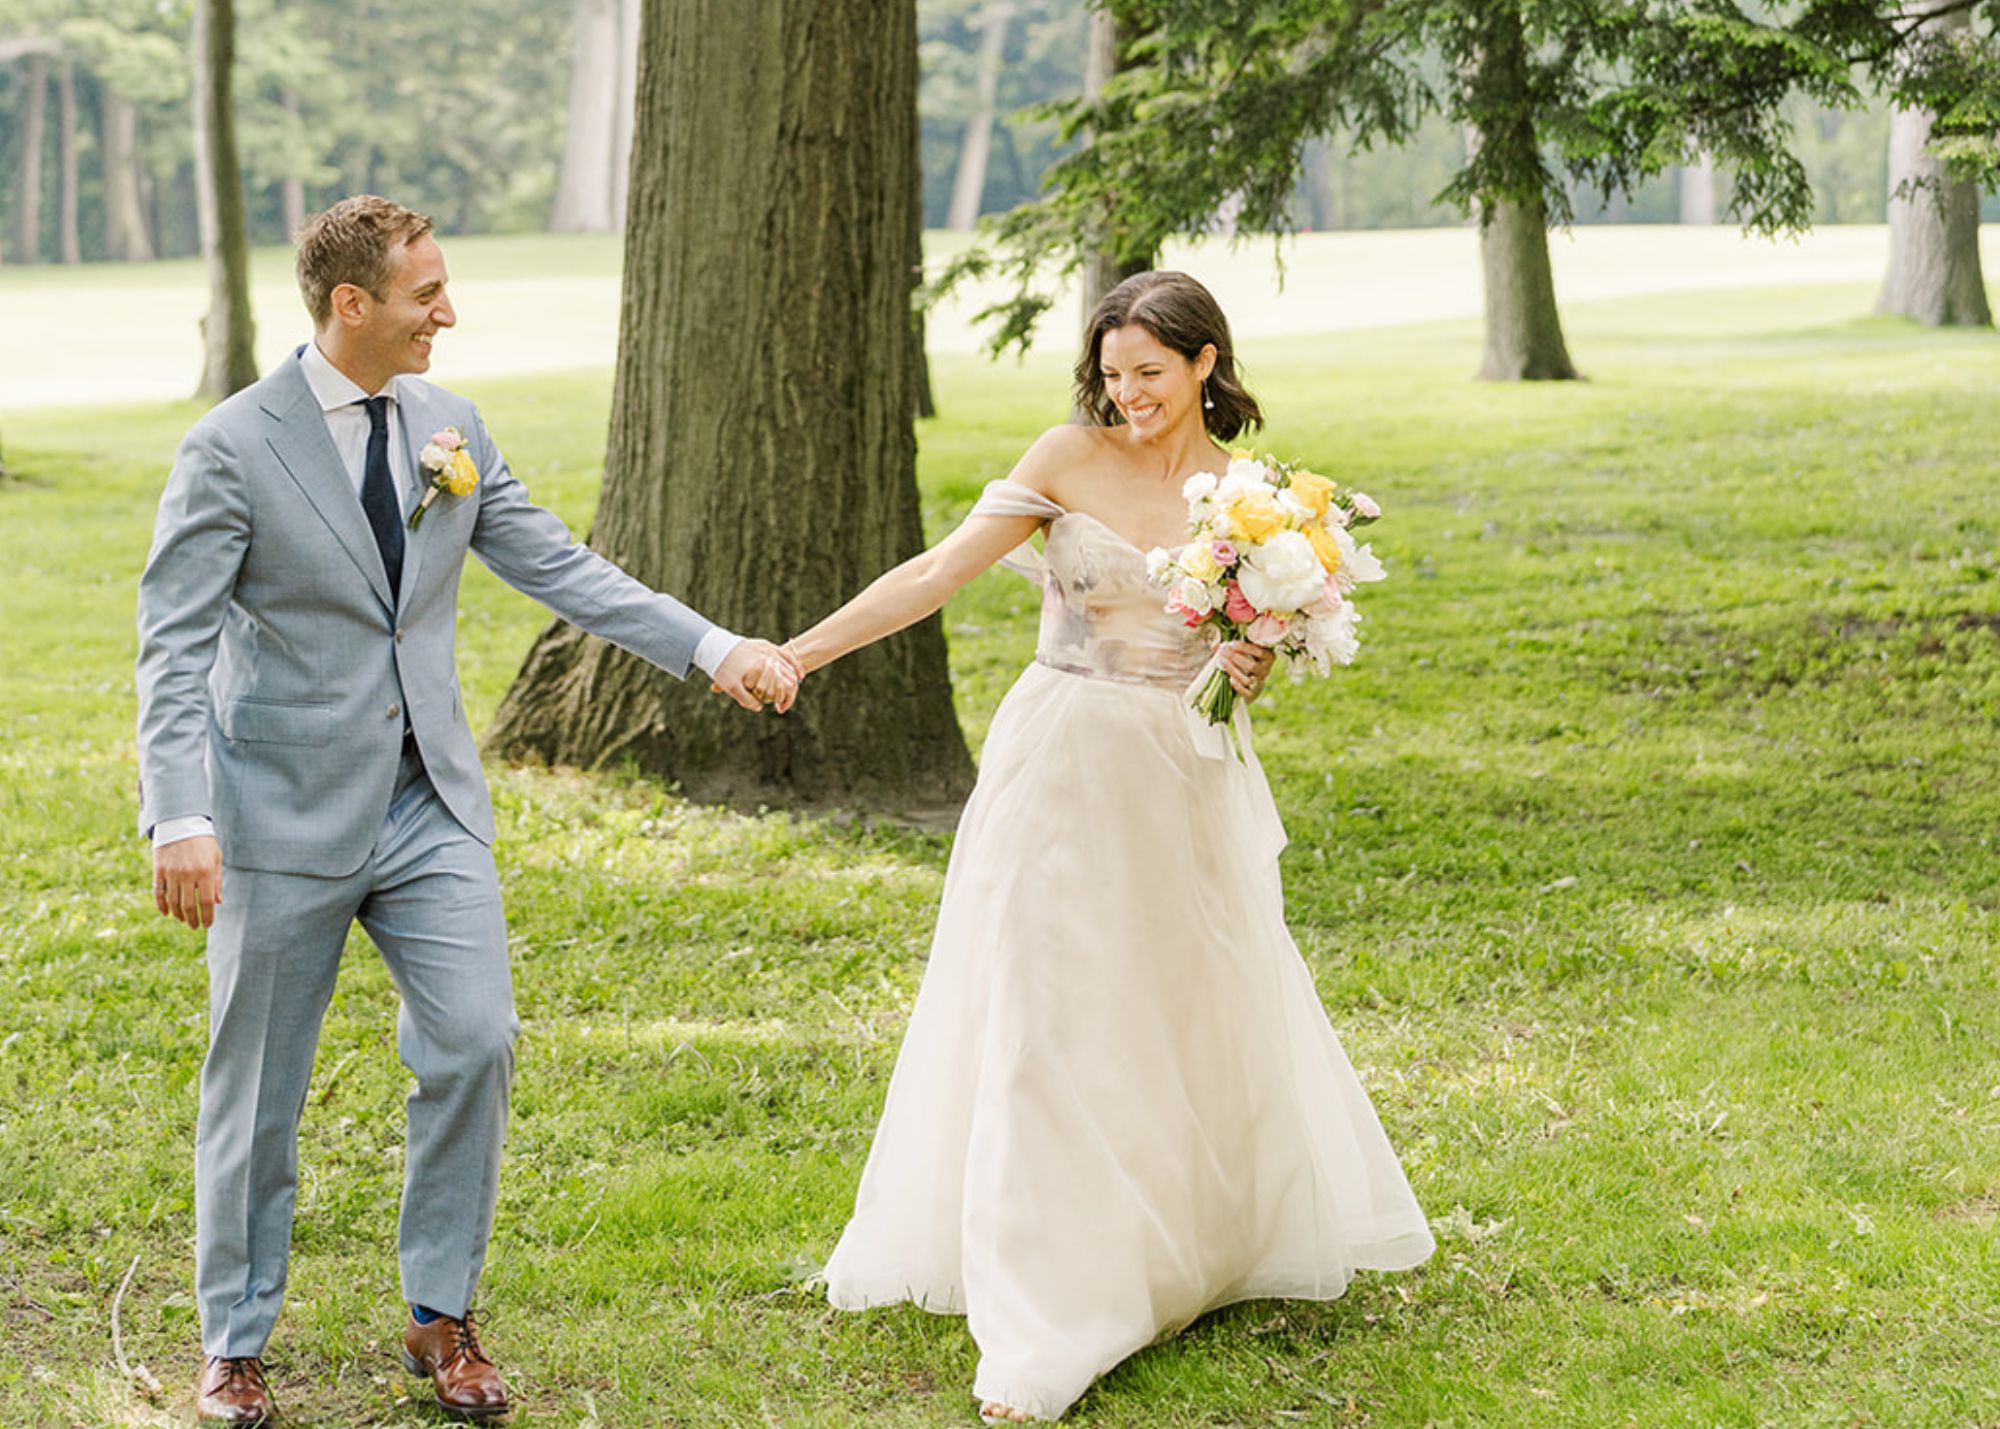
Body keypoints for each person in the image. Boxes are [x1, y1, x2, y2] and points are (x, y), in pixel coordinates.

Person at [134, 194, 795, 1425]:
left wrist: (713, 647)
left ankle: (440, 1316)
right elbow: (171, 649)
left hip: (427, 800)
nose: (449, 310)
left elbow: (561, 565)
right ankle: (233, 1342)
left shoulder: (452, 426)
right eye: (425, 292)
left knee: (476, 1039)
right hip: (277, 810)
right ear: (350, 305)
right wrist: (180, 815)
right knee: (259, 1083)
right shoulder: (230, 446)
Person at [789, 271, 1435, 1422]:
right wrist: (796, 654)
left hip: (1180, 774)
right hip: (1059, 758)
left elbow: (1262, 642)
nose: (1126, 393)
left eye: (1148, 372)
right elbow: (935, 574)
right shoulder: (1061, 458)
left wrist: (1253, 661)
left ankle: (1179, 1242)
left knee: (1174, 1001)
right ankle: (1049, 1306)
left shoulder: (1253, 498)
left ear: (1201, 365)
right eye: (1110, 373)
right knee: (1042, 1010)